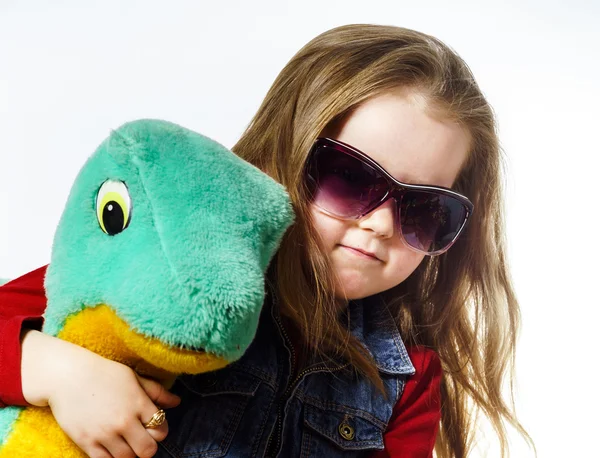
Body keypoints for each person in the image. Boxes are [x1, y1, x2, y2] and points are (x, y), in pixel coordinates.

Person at [0, 24, 534, 458]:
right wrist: (56, 371)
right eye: (352, 179)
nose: (382, 226)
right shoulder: (176, 266)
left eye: (425, 210)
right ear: (285, 152)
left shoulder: (409, 378)